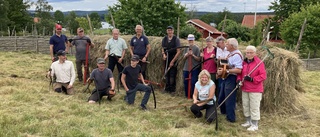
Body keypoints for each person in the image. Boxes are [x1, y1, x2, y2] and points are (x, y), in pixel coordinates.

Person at [238, 46, 267, 131]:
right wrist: (239, 80)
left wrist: (252, 79)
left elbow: (263, 76)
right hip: (245, 88)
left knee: (254, 106)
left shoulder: (259, 63)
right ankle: (248, 121)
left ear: (255, 53)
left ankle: (255, 125)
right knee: (246, 105)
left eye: (251, 53)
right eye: (247, 52)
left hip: (255, 89)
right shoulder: (244, 62)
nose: (249, 54)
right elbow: (240, 73)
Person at [217, 38, 243, 123]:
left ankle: (231, 118)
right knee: (221, 97)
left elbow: (239, 70)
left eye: (227, 44)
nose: (226, 45)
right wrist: (221, 70)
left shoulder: (237, 55)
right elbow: (227, 64)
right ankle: (224, 113)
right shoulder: (230, 54)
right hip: (226, 76)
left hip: (232, 78)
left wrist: (226, 71)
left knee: (229, 98)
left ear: (232, 46)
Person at [161, 26, 181, 94]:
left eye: (171, 30)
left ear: (173, 31)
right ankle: (167, 88)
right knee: (166, 73)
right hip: (166, 58)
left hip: (173, 58)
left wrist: (173, 61)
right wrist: (163, 54)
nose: (169, 32)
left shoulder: (176, 39)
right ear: (167, 31)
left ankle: (172, 90)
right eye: (168, 30)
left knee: (172, 74)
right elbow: (162, 48)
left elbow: (178, 51)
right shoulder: (164, 39)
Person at [183, 34, 201, 98]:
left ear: (193, 40)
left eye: (191, 40)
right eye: (189, 40)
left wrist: (193, 55)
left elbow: (199, 59)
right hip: (186, 68)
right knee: (186, 82)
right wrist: (186, 55)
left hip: (194, 68)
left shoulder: (196, 48)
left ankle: (194, 95)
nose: (190, 41)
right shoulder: (186, 47)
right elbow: (183, 58)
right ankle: (187, 95)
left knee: (193, 82)